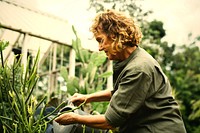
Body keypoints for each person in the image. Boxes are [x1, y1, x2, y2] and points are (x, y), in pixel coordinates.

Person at [55, 9, 187, 133]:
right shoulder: (132, 59)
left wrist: (74, 118)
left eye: (101, 40)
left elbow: (110, 121)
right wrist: (87, 98)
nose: (100, 48)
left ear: (114, 35)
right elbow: (121, 93)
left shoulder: (139, 68)